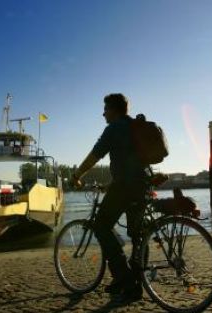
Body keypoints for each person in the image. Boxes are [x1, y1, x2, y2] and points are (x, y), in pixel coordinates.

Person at [71, 93, 147, 302]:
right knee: (138, 235)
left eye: (105, 109)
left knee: (101, 225)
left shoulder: (114, 129)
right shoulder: (135, 126)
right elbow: (129, 162)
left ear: (113, 110)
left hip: (125, 187)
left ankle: (122, 276)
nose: (103, 113)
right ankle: (135, 287)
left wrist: (77, 175)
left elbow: (95, 155)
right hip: (142, 184)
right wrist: (110, 184)